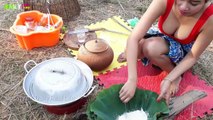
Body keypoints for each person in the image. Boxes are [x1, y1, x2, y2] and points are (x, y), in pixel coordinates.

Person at [118, 0, 213, 104]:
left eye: (194, 3)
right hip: (163, 37)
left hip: (183, 51)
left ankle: (176, 75)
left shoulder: (210, 18)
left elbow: (193, 56)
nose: (183, 7)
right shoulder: (164, 1)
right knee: (134, 49)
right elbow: (134, 37)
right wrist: (132, 79)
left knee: (151, 47)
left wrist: (169, 78)